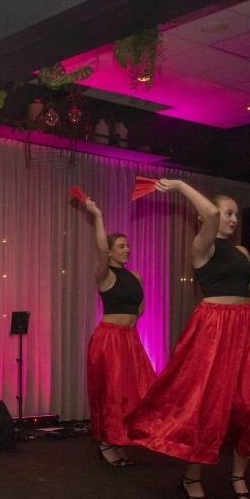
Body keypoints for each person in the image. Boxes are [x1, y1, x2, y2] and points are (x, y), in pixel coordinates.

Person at [126, 182, 250, 499]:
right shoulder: (203, 247)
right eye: (228, 213)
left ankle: (238, 476)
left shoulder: (243, 253)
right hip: (215, 327)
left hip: (245, 326)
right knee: (206, 404)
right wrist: (178, 185)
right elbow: (211, 214)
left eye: (236, 214)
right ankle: (192, 476)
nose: (233, 219)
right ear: (205, 217)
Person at [83, 198, 156, 467]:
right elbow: (101, 251)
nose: (127, 250)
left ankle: (119, 439)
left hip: (129, 338)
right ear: (111, 252)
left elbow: (140, 307)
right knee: (113, 393)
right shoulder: (104, 275)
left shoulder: (135, 276)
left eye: (128, 246)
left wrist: (129, 326)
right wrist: (98, 217)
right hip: (109, 338)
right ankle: (106, 443)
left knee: (135, 392)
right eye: (121, 246)